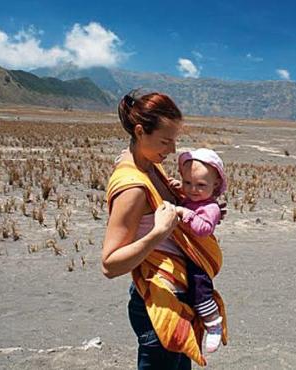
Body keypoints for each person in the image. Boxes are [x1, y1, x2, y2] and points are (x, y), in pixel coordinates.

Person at [102, 91, 227, 369]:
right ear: (139, 131)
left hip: (178, 297)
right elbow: (110, 265)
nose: (171, 150)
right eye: (165, 141)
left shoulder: (149, 164)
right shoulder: (133, 188)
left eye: (174, 140)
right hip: (159, 303)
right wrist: (159, 232)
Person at [171, 148, 227, 353]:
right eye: (187, 183)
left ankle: (213, 324)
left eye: (200, 185)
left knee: (200, 290)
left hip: (199, 259)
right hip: (186, 254)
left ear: (215, 186)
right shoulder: (193, 198)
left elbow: (203, 229)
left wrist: (186, 213)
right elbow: (186, 197)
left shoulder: (209, 208)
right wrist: (178, 188)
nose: (193, 189)